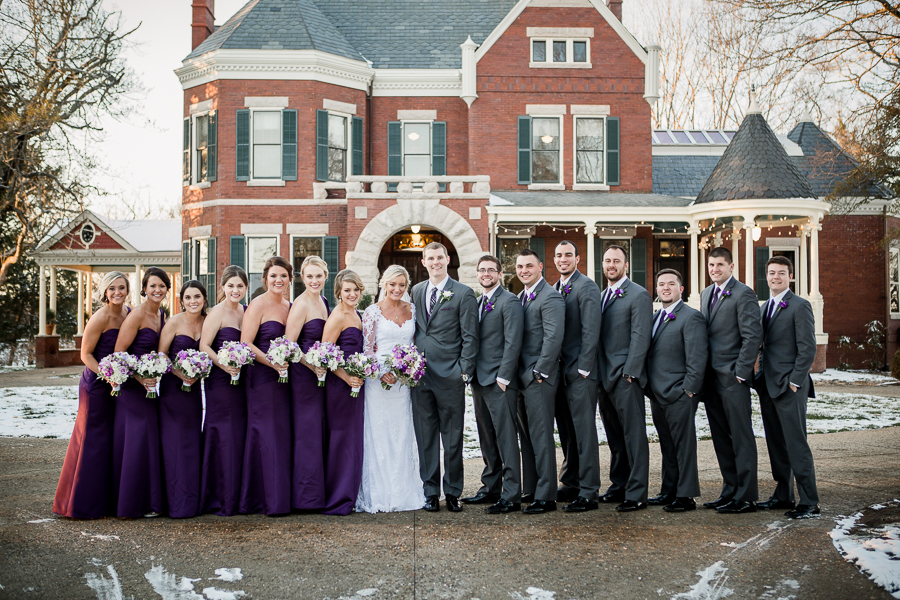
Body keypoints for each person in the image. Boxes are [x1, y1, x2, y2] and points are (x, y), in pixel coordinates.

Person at [53, 271, 130, 519]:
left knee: (110, 440)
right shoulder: (101, 317)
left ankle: (106, 500)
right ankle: (80, 503)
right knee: (92, 440)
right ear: (104, 292)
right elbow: (85, 355)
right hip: (96, 385)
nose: (117, 292)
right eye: (112, 289)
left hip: (119, 384)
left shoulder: (128, 313)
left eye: (121, 287)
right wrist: (107, 374)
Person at [410, 242, 479, 512]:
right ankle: (430, 492)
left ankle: (452, 491)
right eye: (431, 258)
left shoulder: (463, 293)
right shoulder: (416, 291)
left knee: (452, 437)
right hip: (420, 377)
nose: (435, 262)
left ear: (447, 259)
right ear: (424, 261)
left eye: (440, 257)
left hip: (450, 376)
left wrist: (463, 371)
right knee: (425, 436)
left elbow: (470, 336)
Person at [356, 265, 426, 513]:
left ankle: (403, 490)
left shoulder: (412, 310)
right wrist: (379, 371)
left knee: (402, 431)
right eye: (392, 284)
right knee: (380, 431)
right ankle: (379, 493)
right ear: (383, 284)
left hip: (403, 383)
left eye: (401, 285)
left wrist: (409, 368)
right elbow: (367, 349)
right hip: (379, 381)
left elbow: (415, 345)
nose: (397, 289)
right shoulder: (373, 312)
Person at [755, 256, 820, 519]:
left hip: (790, 387)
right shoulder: (763, 308)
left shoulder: (800, 306)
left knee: (796, 443)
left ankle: (809, 500)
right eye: (771, 273)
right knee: (776, 444)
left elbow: (808, 349)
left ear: (790, 276)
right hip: (768, 385)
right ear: (767, 276)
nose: (776, 277)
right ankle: (783, 494)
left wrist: (795, 381)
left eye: (781, 273)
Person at [700, 246, 762, 514]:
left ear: (731, 266)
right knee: (720, 437)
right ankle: (729, 490)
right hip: (711, 379)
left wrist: (740, 372)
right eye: (711, 265)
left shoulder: (743, 294)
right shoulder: (705, 294)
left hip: (733, 378)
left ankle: (746, 496)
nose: (715, 269)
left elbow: (752, 337)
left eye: (720, 265)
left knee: (741, 436)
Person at [462, 255, 524, 514]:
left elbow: (513, 341)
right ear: (477, 274)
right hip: (479, 379)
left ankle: (511, 495)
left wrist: (503, 377)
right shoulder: (477, 302)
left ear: (500, 274)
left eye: (491, 270)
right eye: (482, 270)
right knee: (486, 436)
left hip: (499, 381)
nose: (486, 274)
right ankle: (490, 487)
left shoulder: (509, 301)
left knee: (506, 437)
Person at [645, 269, 707, 513]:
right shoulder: (655, 317)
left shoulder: (691, 317)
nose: (666, 288)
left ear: (681, 289)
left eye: (671, 284)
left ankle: (687, 495)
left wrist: (689, 390)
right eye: (661, 284)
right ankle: (668, 490)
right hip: (658, 393)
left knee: (683, 446)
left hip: (680, 393)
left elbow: (697, 357)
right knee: (667, 445)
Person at [597, 245, 652, 512]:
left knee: (633, 436)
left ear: (625, 265)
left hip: (625, 378)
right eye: (607, 260)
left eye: (616, 261)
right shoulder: (601, 295)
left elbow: (641, 337)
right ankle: (619, 485)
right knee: (614, 436)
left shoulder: (638, 294)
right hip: (604, 377)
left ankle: (637, 492)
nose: (611, 265)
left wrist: (630, 372)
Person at [112, 267, 169, 518]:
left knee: (149, 440)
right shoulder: (136, 315)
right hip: (133, 389)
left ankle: (151, 501)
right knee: (136, 442)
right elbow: (119, 353)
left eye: (162, 286)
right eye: (153, 285)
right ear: (144, 288)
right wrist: (140, 377)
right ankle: (132, 503)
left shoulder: (163, 315)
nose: (157, 290)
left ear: (167, 289)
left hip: (151, 388)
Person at [239, 256, 293, 516]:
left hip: (286, 380)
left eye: (283, 275)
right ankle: (262, 499)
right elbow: (246, 343)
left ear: (290, 279)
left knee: (282, 434)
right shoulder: (257, 305)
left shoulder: (290, 306)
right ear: (265, 279)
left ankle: (281, 496)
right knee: (266, 433)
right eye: (273, 276)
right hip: (262, 378)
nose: (278, 280)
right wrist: (273, 363)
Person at [551, 241, 603, 512]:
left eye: (568, 255)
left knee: (583, 432)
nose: (563, 259)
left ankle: (589, 490)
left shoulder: (587, 287)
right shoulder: (555, 288)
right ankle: (570, 482)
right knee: (568, 432)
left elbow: (591, 330)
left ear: (577, 259)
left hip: (580, 373)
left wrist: (583, 368)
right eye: (558, 255)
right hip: (560, 373)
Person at [515, 248, 565, 514]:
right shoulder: (521, 297)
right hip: (521, 377)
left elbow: (553, 338)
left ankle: (546, 496)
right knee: (527, 437)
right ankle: (532, 488)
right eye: (520, 266)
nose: (524, 270)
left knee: (542, 435)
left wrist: (539, 372)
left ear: (540, 268)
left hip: (538, 378)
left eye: (529, 266)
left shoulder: (551, 297)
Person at [198, 266, 249, 516]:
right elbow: (204, 345)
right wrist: (223, 364)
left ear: (246, 288)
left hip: (241, 383)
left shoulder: (245, 311)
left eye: (240, 286)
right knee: (223, 432)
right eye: (230, 286)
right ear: (223, 287)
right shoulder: (217, 313)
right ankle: (218, 496)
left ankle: (237, 494)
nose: (235, 290)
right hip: (220, 381)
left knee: (238, 433)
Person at [156, 279, 207, 519]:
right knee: (174, 444)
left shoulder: (208, 322)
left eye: (197, 296)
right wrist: (180, 373)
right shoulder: (174, 322)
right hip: (173, 391)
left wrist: (196, 375)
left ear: (204, 299)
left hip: (194, 392)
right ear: (181, 301)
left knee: (190, 444)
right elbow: (161, 354)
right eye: (188, 297)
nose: (193, 301)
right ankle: (172, 502)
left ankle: (190, 501)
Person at [284, 256, 330, 511]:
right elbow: (289, 345)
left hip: (320, 376)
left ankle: (317, 492)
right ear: (303, 278)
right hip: (304, 377)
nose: (314, 280)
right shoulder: (300, 305)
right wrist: (312, 366)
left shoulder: (323, 301)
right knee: (306, 434)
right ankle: (305, 498)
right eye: (309, 276)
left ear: (325, 276)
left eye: (319, 276)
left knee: (317, 432)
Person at [321, 269, 366, 515]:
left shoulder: (356, 313)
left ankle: (349, 492)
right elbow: (325, 354)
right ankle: (337, 498)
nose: (351, 294)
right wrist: (346, 377)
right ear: (338, 292)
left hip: (355, 384)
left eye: (355, 289)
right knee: (341, 440)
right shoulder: (337, 316)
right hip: (341, 386)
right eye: (346, 290)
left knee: (352, 439)